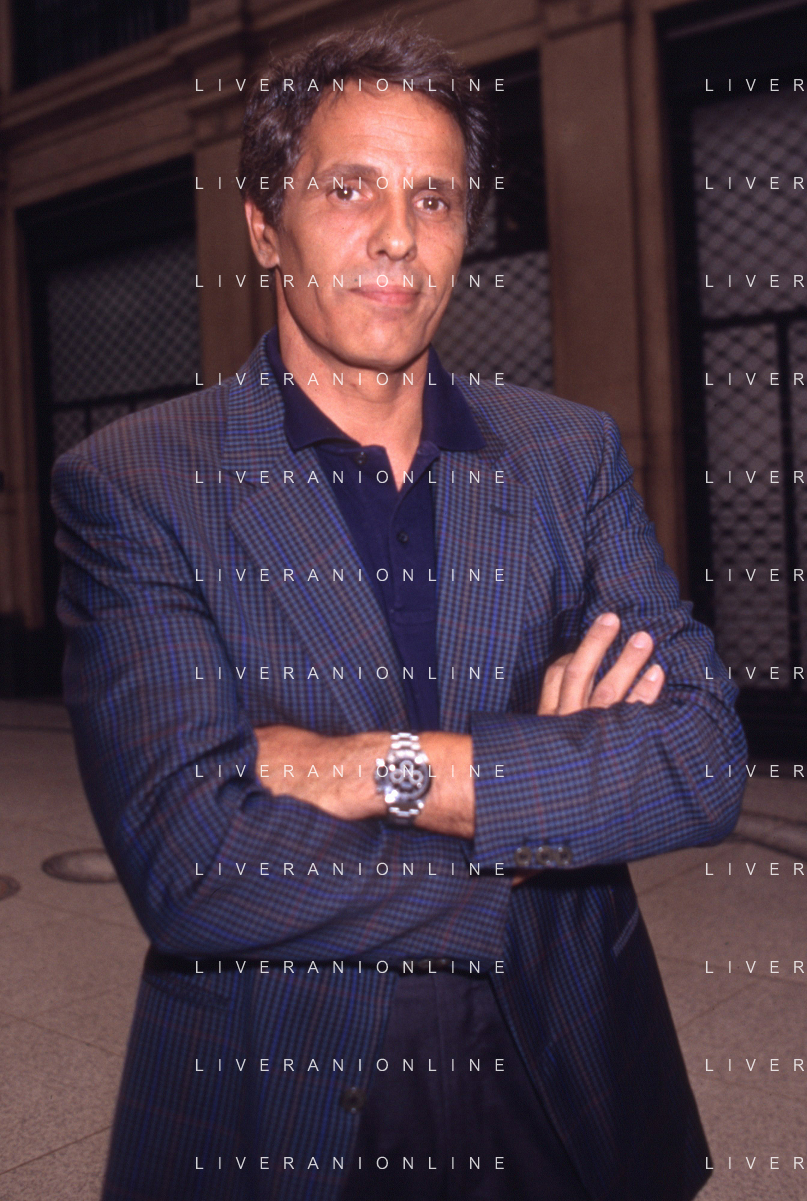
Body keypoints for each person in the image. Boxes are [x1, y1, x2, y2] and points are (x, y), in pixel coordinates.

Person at [51, 23, 745, 1201]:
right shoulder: (140, 481)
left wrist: (378, 768)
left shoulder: (565, 454)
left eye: (435, 199)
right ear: (263, 224)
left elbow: (705, 755)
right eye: (349, 190)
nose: (396, 237)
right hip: (288, 1098)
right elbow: (192, 860)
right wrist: (537, 807)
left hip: (567, 1083)